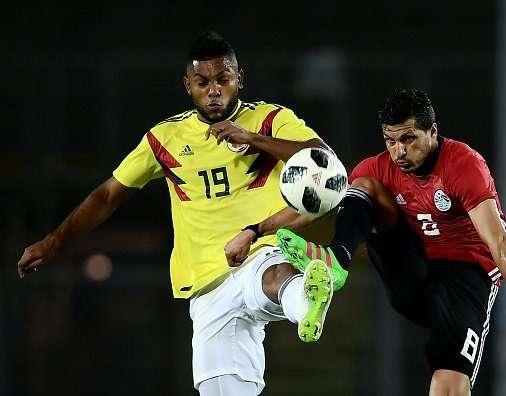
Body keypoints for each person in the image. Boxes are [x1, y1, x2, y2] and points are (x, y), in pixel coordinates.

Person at [16, 31, 334, 396]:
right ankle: (304, 295)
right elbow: (107, 196)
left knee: (276, 271)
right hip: (207, 284)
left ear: (239, 79)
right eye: (203, 82)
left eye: (223, 80)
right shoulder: (164, 139)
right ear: (188, 85)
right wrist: (54, 241)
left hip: (258, 249)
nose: (213, 90)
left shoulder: (269, 118)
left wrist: (254, 139)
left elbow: (322, 161)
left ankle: (306, 298)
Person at [268, 88, 506, 395]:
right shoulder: (378, 167)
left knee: (448, 385)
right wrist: (257, 230)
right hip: (412, 270)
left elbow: (497, 240)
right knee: (364, 187)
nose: (399, 152)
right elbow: (319, 204)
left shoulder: (463, 164)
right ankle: (337, 260)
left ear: (433, 131)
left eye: (408, 139)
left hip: (465, 276)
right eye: (390, 141)